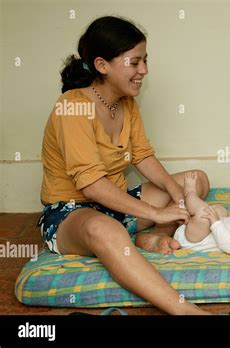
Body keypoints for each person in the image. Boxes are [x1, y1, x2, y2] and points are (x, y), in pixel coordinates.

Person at [38, 16, 213, 315]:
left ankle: (151, 235)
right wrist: (157, 212)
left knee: (196, 180)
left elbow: (142, 155)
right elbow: (91, 184)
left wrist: (178, 195)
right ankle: (189, 313)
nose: (143, 70)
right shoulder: (72, 106)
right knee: (103, 230)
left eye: (145, 61)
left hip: (117, 205)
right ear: (102, 66)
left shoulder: (126, 102)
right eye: (135, 63)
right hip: (71, 213)